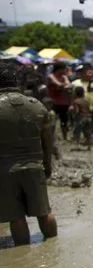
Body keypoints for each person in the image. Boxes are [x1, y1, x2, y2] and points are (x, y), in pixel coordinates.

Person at [0, 62, 57, 246]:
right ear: (17, 82)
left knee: (16, 217)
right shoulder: (37, 106)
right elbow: (48, 142)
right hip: (34, 166)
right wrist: (47, 166)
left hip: (4, 168)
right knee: (44, 212)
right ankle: (53, 250)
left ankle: (21, 254)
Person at [47, 62, 71, 141]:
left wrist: (62, 86)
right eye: (64, 69)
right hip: (53, 102)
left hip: (64, 103)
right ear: (59, 69)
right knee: (52, 121)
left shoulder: (64, 77)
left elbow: (69, 85)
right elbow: (59, 84)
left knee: (64, 121)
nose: (65, 70)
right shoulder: (51, 76)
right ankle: (51, 136)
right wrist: (63, 86)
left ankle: (65, 137)